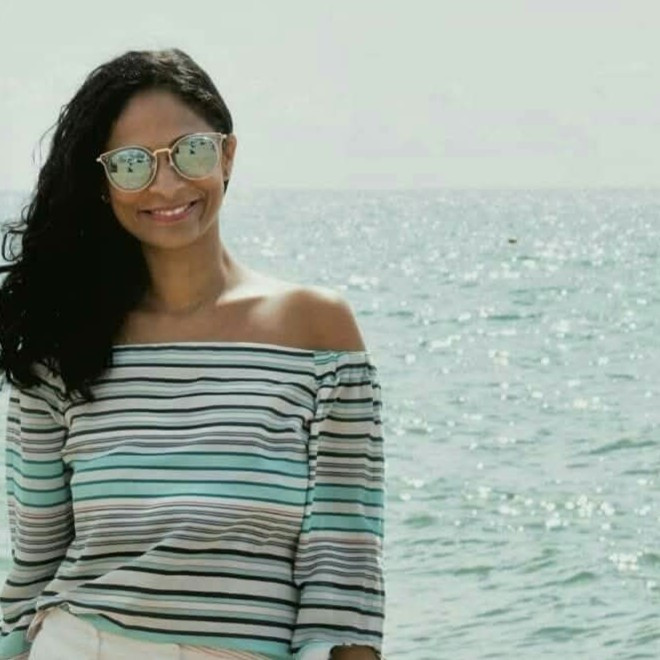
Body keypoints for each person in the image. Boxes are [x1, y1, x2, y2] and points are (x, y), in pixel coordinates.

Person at [0, 49, 384, 659]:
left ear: (227, 155)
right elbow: (32, 566)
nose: (167, 184)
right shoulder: (60, 344)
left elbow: (345, 575)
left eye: (191, 152)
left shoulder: (318, 332)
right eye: (132, 164)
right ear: (103, 182)